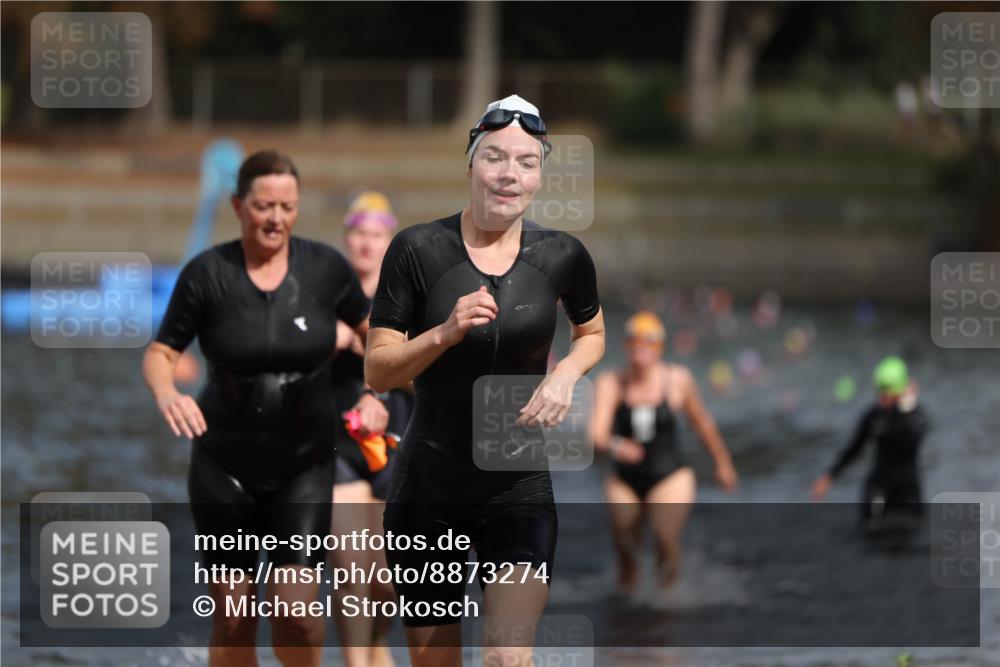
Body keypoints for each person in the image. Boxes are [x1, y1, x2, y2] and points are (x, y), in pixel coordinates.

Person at [364, 94, 606, 667]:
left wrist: (566, 373)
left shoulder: (564, 255)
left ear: (540, 176)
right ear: (471, 164)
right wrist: (443, 333)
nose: (509, 174)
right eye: (495, 157)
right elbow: (377, 369)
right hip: (429, 488)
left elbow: (593, 334)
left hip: (517, 486)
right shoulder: (417, 250)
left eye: (526, 162)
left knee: (506, 657)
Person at [142, 150, 383, 667]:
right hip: (223, 467)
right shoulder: (207, 274)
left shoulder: (325, 269)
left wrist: (374, 394)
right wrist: (167, 394)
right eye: (264, 206)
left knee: (295, 612)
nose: (276, 218)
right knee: (233, 619)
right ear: (238, 206)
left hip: (305, 465)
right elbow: (162, 353)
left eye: (287, 207)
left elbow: (378, 340)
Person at [590, 311, 739, 591]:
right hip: (625, 479)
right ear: (627, 346)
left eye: (647, 345)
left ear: (659, 348)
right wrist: (617, 444)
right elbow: (596, 435)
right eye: (634, 345)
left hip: (670, 474)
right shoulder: (611, 382)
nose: (640, 352)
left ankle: (667, 596)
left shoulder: (677, 380)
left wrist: (723, 462)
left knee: (665, 536)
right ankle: (627, 595)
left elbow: (702, 423)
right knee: (624, 543)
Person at [330, 191, 413, 667]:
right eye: (359, 233)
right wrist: (325, 339)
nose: (366, 243)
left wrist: (368, 354)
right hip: (337, 446)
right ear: (347, 237)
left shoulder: (406, 299)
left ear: (389, 239)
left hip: (393, 445)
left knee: (386, 582)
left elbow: (421, 376)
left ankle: (376, 644)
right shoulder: (326, 295)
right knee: (350, 571)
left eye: (376, 235)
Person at [811, 356, 929, 525]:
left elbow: (915, 435)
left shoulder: (915, 415)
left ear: (900, 390)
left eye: (887, 391)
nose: (882, 396)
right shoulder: (874, 416)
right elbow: (855, 447)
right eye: (880, 390)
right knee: (870, 528)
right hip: (879, 485)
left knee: (913, 528)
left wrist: (908, 406)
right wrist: (830, 476)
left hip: (908, 488)